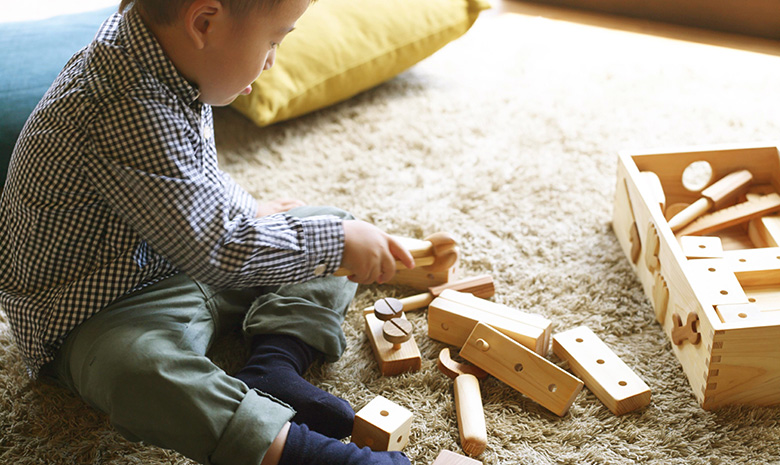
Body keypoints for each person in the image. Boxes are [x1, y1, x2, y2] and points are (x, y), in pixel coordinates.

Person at [0, 0, 414, 464]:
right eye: (273, 41)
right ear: (204, 22)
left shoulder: (164, 55)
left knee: (331, 222)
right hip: (97, 310)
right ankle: (294, 451)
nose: (273, 58)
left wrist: (254, 211)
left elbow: (188, 175)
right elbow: (219, 251)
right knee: (138, 373)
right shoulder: (122, 102)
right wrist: (333, 245)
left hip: (181, 254)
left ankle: (274, 365)